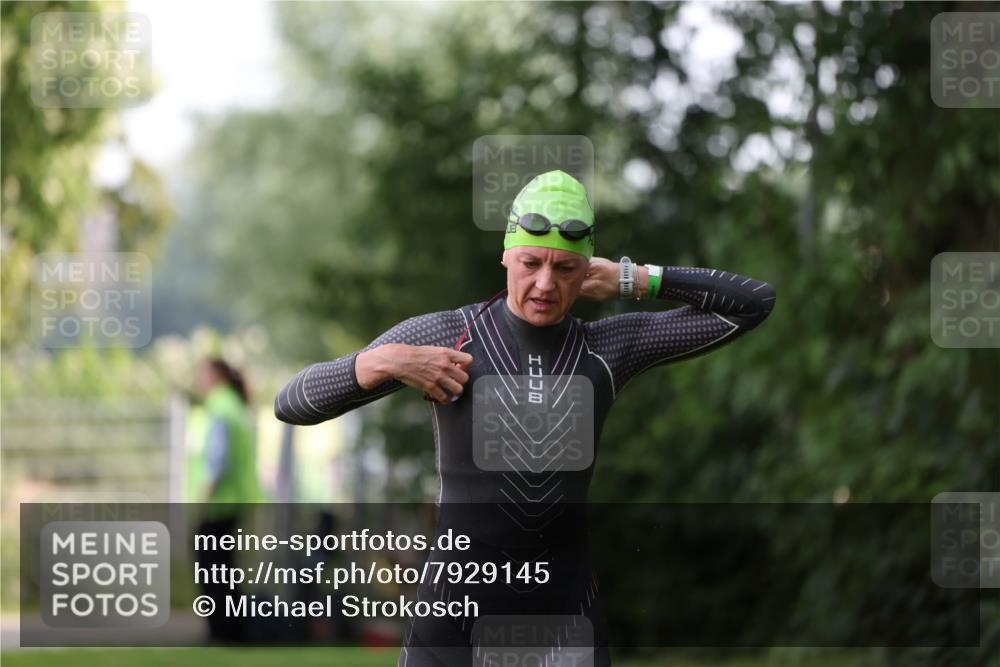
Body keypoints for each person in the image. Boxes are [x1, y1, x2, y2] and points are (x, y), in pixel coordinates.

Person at [274, 170, 776, 665]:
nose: (545, 284)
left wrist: (635, 278)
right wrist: (383, 362)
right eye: (531, 262)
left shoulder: (606, 347)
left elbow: (753, 304)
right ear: (506, 256)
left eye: (565, 269)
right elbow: (291, 403)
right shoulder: (447, 334)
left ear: (587, 272)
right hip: (453, 618)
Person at [193, 358, 265, 643]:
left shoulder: (220, 408)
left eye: (203, 374)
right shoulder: (236, 407)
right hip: (234, 502)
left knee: (213, 572)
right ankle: (233, 632)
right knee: (225, 571)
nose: (199, 381)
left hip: (218, 503)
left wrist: (201, 499)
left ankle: (222, 634)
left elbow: (216, 461)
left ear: (215, 377)